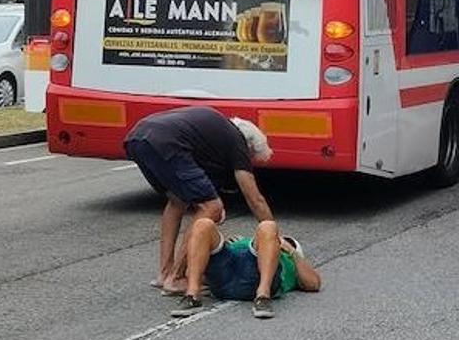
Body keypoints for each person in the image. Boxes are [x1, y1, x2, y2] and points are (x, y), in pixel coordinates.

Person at [124, 107, 275, 292]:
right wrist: (274, 236)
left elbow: (200, 179)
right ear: (249, 146)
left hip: (137, 137)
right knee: (212, 207)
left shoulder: (215, 132)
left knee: (176, 201)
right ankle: (176, 277)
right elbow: (254, 199)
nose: (247, 160)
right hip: (166, 141)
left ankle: (164, 274)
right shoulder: (237, 141)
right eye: (250, 157)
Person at [170, 218, 321, 319]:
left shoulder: (288, 260)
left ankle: (263, 296)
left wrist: (290, 250)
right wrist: (223, 247)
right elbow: (194, 272)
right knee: (203, 224)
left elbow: (314, 283)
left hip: (256, 278)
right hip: (227, 274)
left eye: (285, 240)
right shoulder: (249, 243)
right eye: (279, 239)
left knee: (268, 225)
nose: (280, 240)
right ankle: (192, 296)